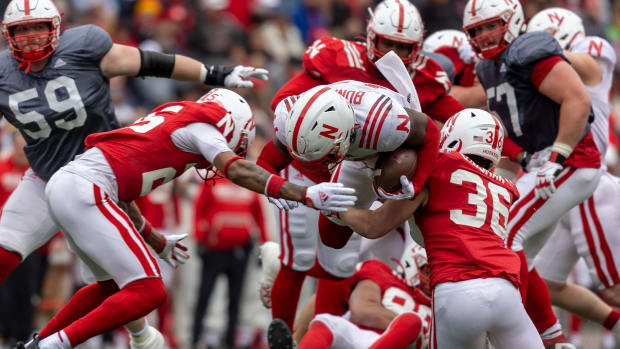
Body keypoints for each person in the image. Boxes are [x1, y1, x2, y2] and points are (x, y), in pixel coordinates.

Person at [0, 0, 268, 347]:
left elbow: (153, 63)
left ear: (57, 28)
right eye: (21, 29)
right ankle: (133, 336)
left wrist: (214, 73)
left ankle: (112, 337)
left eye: (37, 27)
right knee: (6, 252)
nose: (31, 37)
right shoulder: (4, 71)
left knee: (114, 282)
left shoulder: (84, 48)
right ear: (8, 35)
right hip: (46, 176)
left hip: (96, 172)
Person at [21, 88, 357, 349]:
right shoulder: (202, 127)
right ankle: (54, 344)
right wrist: (303, 193)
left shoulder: (174, 118)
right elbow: (238, 169)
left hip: (74, 184)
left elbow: (121, 192)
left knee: (110, 287)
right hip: (85, 188)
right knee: (149, 290)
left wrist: (156, 240)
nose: (229, 151)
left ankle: (39, 342)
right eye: (235, 143)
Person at [258, 0, 459, 330]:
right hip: (311, 163)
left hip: (375, 159)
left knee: (338, 259)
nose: (392, 52)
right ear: (370, 37)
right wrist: (274, 180)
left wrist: (420, 179)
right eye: (386, 42)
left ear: (418, 46)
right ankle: (285, 332)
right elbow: (285, 111)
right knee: (299, 258)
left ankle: (326, 335)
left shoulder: (401, 102)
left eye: (402, 46)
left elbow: (445, 124)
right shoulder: (337, 59)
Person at [328, 108, 544, 348]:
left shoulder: (439, 166)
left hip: (457, 291)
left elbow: (373, 225)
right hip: (506, 292)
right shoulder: (504, 187)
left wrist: (335, 207)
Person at [463, 0, 602, 346]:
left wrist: (557, 156)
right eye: (476, 30)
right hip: (544, 163)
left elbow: (578, 100)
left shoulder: (529, 51)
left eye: (490, 25)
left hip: (570, 161)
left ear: (511, 22)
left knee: (500, 239)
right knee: (520, 253)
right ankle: (552, 339)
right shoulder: (488, 67)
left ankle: (512, 335)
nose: (483, 35)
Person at [257, 79, 439, 330]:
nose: (322, 164)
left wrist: (418, 183)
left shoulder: (385, 121)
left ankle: (383, 201)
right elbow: (265, 163)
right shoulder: (294, 116)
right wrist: (272, 185)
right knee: (331, 238)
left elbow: (431, 133)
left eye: (327, 156)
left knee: (418, 231)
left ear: (346, 130)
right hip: (356, 156)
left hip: (394, 151)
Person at [527, 8, 620, 338]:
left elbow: (578, 65)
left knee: (613, 287)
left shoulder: (593, 49)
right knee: (545, 282)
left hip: (587, 183)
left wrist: (538, 53)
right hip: (554, 188)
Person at [269, 243, 431, 349]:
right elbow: (363, 312)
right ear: (412, 263)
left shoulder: (441, 306)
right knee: (325, 321)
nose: (433, 278)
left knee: (412, 321)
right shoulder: (383, 273)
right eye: (429, 271)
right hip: (357, 334)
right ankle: (296, 341)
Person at [192, 177, 268, 348]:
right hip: (214, 250)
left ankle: (229, 341)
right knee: (204, 296)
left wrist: (264, 247)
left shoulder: (249, 182)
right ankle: (195, 339)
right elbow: (199, 209)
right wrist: (199, 239)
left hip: (240, 251)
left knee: (235, 299)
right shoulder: (212, 180)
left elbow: (260, 217)